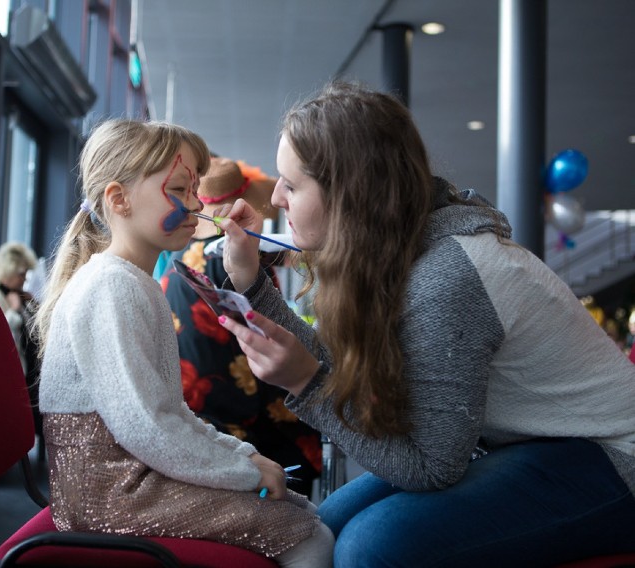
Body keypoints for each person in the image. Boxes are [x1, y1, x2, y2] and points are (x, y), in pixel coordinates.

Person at [215, 81, 635, 567]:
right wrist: (251, 284)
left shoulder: (447, 278)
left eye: (292, 183)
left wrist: (306, 383)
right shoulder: (402, 250)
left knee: (369, 548)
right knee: (321, 525)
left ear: (350, 195)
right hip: (532, 446)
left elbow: (429, 466)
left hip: (610, 458)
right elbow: (330, 367)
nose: (277, 199)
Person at [33, 118, 333, 567]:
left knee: (301, 509)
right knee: (307, 534)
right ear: (118, 199)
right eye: (179, 190)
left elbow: (167, 415)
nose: (195, 206)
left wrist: (246, 457)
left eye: (196, 191)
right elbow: (150, 427)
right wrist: (243, 468)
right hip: (111, 494)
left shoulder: (132, 282)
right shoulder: (112, 287)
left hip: (133, 476)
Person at [161, 157, 322, 496]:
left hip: (194, 412)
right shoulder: (234, 261)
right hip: (238, 420)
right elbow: (273, 338)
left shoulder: (180, 264)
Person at [0, 241, 39, 376]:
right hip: (9, 374)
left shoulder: (21, 297)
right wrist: (13, 311)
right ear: (8, 271)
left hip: (30, 374)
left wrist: (35, 308)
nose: (25, 278)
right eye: (21, 273)